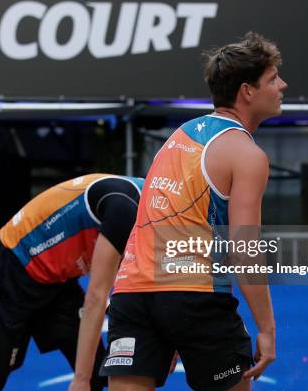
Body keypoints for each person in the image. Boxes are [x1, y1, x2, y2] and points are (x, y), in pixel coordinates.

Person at [100, 32, 287, 391]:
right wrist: (266, 329)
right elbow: (245, 249)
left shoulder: (178, 136)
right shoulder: (246, 155)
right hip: (193, 294)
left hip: (131, 294)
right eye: (273, 78)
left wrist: (164, 328)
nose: (282, 85)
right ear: (248, 91)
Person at [0, 173, 144, 391]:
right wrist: (80, 379)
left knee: (95, 375)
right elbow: (96, 297)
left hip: (57, 278)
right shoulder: (126, 208)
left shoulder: (155, 208)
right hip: (16, 261)